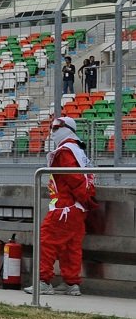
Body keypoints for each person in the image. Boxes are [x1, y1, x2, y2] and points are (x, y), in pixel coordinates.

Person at [25, 116, 95, 297]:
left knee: (46, 242)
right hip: (78, 208)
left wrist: (81, 199)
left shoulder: (64, 151)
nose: (53, 131)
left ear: (67, 129)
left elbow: (74, 180)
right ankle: (71, 284)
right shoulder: (78, 150)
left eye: (56, 127)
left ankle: (44, 282)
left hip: (64, 207)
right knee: (71, 247)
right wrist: (85, 201)